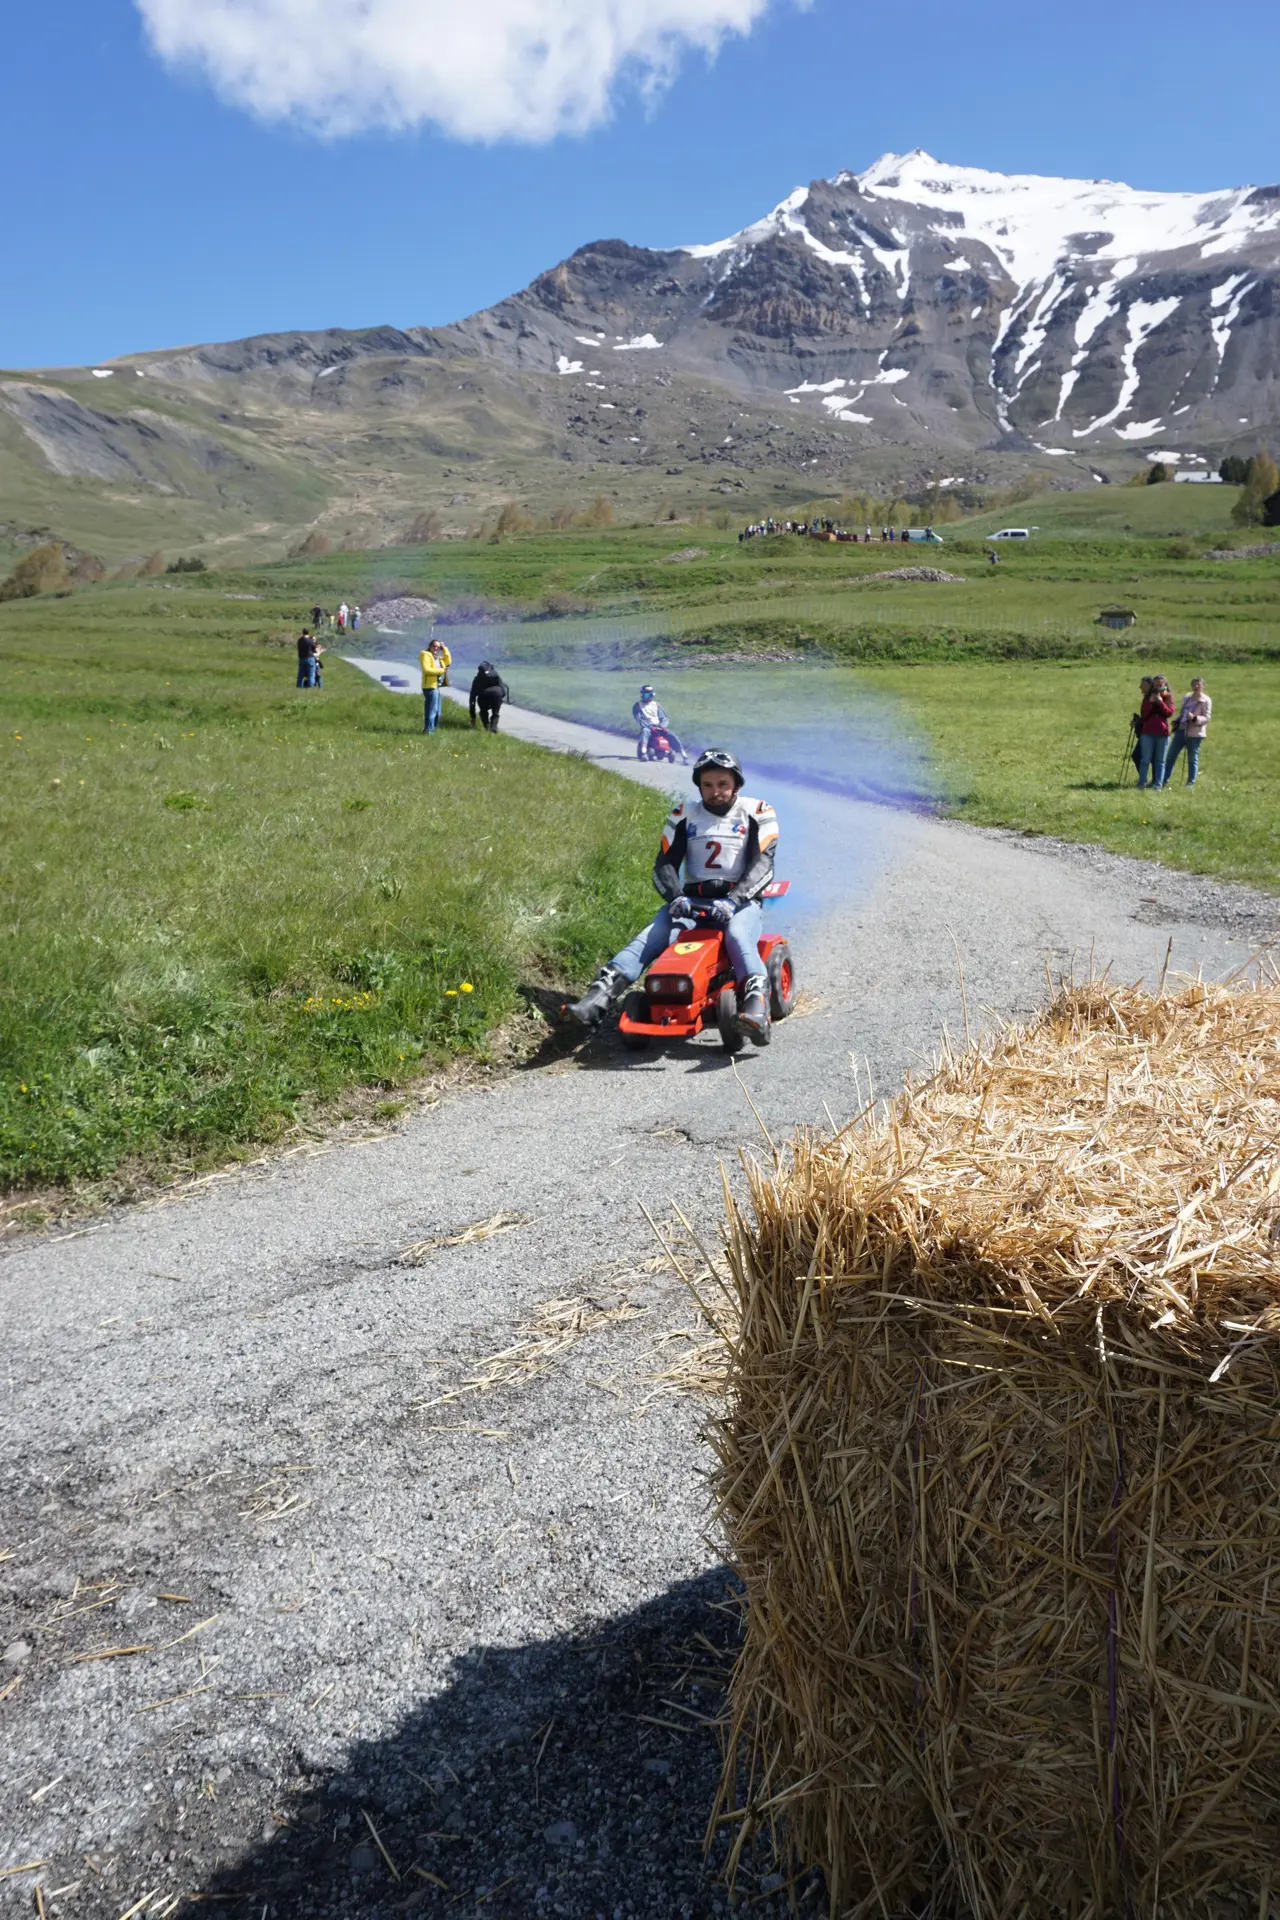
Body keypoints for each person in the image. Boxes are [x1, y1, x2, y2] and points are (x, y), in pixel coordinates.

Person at [565, 749, 778, 1044]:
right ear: (698, 785)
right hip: (692, 901)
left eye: (722, 784)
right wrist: (675, 896)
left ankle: (756, 1009)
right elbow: (663, 864)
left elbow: (764, 864)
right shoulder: (683, 814)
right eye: (707, 785)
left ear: (737, 785)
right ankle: (595, 1001)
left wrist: (733, 901)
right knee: (651, 936)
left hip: (740, 901)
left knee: (738, 936)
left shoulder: (757, 811)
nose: (715, 792)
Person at [1163, 677, 1211, 786]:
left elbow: (1207, 717)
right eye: (1194, 684)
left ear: (1203, 686)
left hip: (1195, 733)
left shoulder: (1206, 700)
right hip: (1181, 730)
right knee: (1171, 756)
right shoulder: (1187, 697)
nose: (1196, 687)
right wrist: (1176, 721)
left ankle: (1190, 782)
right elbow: (1182, 713)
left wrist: (1195, 718)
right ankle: (1164, 779)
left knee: (1192, 758)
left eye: (1198, 685)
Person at [1136, 674, 1174, 790]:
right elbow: (1144, 714)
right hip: (1148, 732)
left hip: (1162, 732)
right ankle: (1142, 783)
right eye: (1156, 684)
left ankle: (1158, 785)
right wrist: (1151, 702)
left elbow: (1169, 713)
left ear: (1165, 684)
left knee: (1160, 761)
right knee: (1145, 760)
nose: (1158, 686)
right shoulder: (1148, 697)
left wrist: (1161, 702)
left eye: (1160, 684)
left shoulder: (1168, 697)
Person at [633, 684, 688, 763]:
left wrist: (662, 726)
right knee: (645, 731)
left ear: (652, 694)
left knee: (672, 735)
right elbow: (639, 719)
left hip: (659, 727)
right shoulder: (637, 705)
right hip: (648, 727)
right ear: (642, 695)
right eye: (645, 694)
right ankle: (643, 752)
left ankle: (684, 755)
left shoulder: (656, 705)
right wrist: (649, 726)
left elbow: (664, 718)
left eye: (649, 694)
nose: (648, 696)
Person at [419, 635, 452, 733]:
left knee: (437, 712)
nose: (436, 648)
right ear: (430, 646)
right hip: (429, 687)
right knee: (432, 711)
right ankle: (429, 731)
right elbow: (427, 670)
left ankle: (431, 729)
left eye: (438, 647)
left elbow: (448, 661)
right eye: (434, 646)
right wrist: (442, 670)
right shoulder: (425, 654)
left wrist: (444, 648)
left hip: (436, 687)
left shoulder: (438, 658)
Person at [469, 661, 509, 732]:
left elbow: (472, 698)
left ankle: (487, 728)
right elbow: (503, 691)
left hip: (483, 697)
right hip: (497, 695)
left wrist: (473, 717)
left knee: (483, 712)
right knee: (495, 713)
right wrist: (500, 699)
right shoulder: (496, 675)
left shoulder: (477, 679)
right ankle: (493, 728)